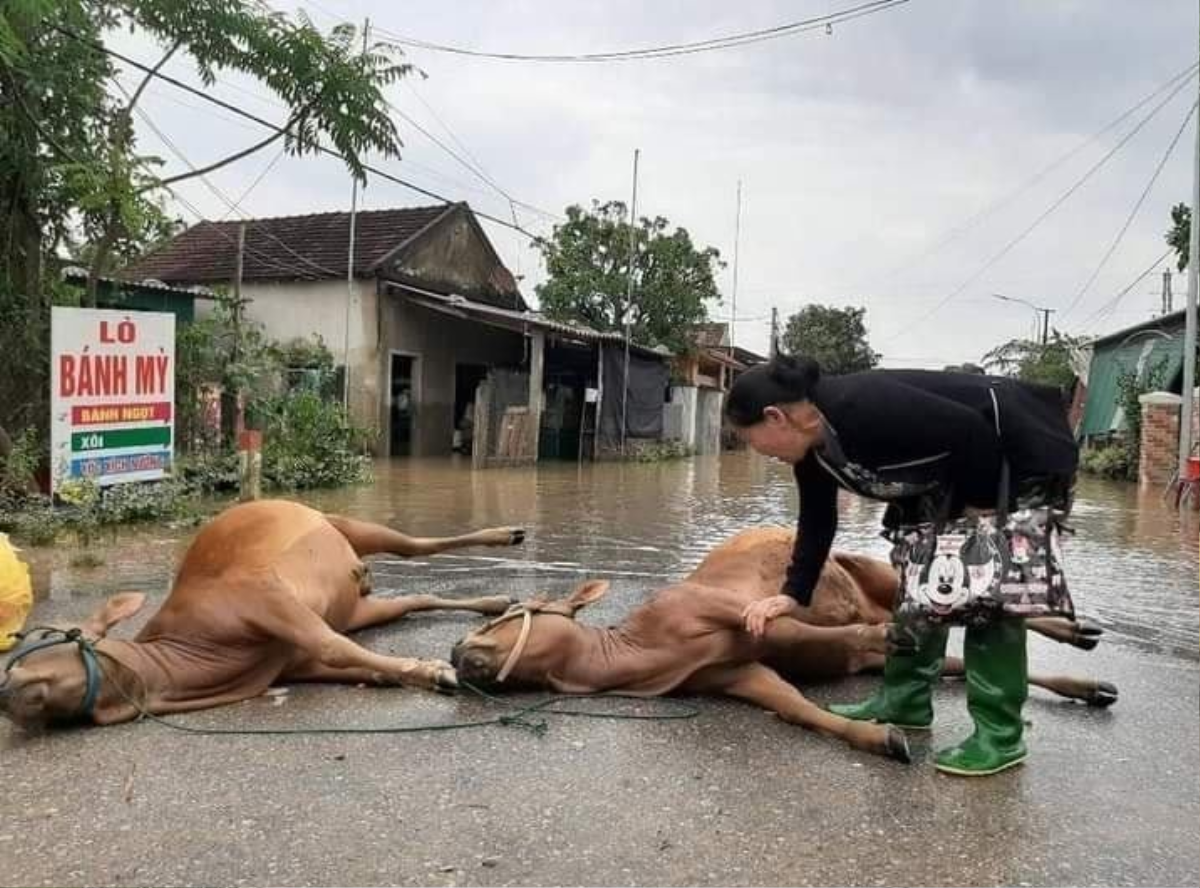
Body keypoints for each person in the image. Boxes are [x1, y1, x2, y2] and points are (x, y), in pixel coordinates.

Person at [724, 354, 1078, 776]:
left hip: (1013, 455)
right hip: (949, 468)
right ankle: (904, 700)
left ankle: (1000, 736)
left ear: (775, 417)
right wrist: (791, 595)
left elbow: (971, 431)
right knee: (917, 577)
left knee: (988, 593)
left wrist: (981, 522)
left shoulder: (863, 406)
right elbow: (818, 520)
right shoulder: (813, 450)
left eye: (751, 439)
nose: (757, 452)